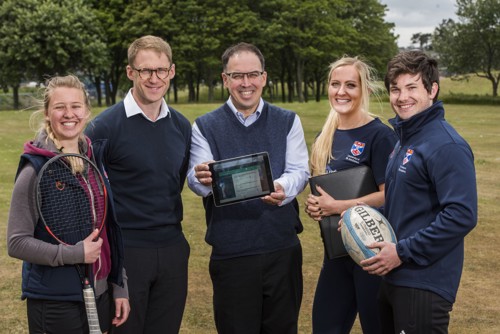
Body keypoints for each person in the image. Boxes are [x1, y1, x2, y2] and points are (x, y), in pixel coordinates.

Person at [188, 42, 309, 333]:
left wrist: (279, 187)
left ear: (264, 78)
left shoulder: (288, 120)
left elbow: (300, 171)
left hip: (281, 248)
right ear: (225, 79)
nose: (246, 83)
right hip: (232, 252)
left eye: (253, 74)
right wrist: (201, 177)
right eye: (237, 76)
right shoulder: (204, 126)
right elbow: (197, 180)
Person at [360, 50, 477, 333]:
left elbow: (462, 215)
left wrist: (401, 252)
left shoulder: (446, 145)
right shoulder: (405, 140)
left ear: (432, 90)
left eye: (412, 87)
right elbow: (404, 203)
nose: (402, 97)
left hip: (424, 282)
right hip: (395, 278)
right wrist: (363, 216)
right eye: (395, 89)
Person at [85, 35, 191, 333]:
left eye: (161, 70)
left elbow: (174, 180)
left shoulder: (182, 126)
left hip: (172, 248)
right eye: (145, 71)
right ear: (131, 72)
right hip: (127, 252)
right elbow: (92, 193)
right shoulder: (104, 127)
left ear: (171, 71)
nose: (154, 78)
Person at [7, 74, 130, 333]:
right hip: (55, 301)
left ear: (86, 111)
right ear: (47, 112)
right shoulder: (36, 169)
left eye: (75, 106)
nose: (68, 114)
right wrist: (74, 254)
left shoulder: (93, 159)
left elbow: (107, 230)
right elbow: (17, 242)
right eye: (59, 107)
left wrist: (119, 284)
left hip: (100, 293)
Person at [304, 56, 397, 334]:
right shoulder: (325, 135)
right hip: (336, 252)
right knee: (325, 327)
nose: (341, 91)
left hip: (372, 254)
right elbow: (326, 192)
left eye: (350, 85)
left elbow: (389, 195)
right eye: (335, 84)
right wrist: (317, 207)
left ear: (365, 90)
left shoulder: (381, 135)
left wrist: (338, 206)